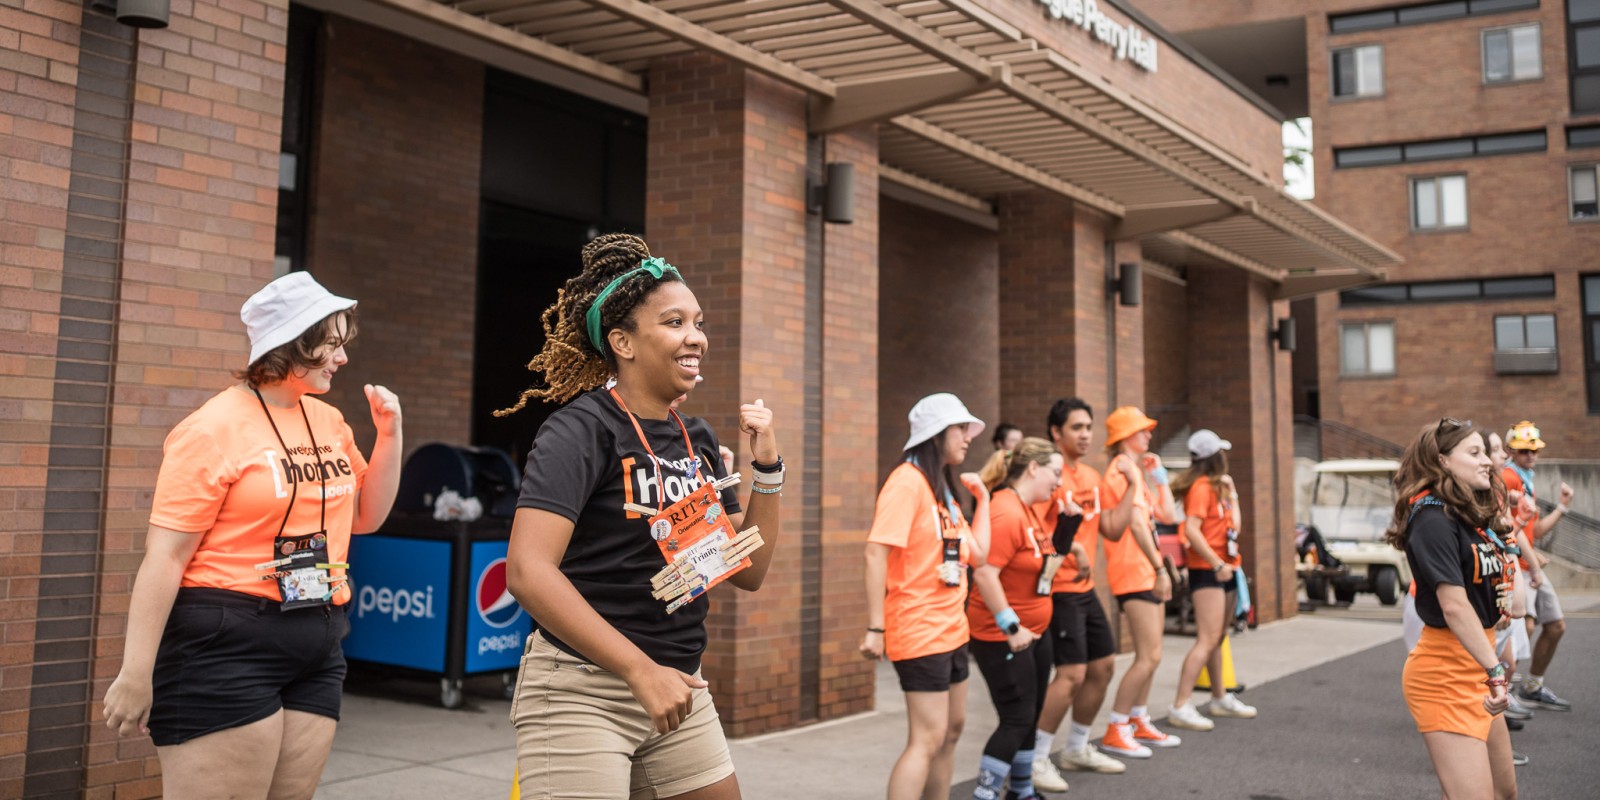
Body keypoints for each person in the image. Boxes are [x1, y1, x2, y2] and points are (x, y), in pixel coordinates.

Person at [500, 234, 783, 799]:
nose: (696, 337)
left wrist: (768, 468)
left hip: (678, 684)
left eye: (698, 322)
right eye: (675, 322)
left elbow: (745, 571)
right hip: (581, 689)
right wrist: (638, 670)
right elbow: (528, 572)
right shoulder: (578, 431)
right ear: (623, 342)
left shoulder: (694, 438)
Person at [102, 272, 403, 799]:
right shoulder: (211, 428)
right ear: (292, 341)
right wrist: (136, 672)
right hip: (226, 641)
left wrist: (390, 436)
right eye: (331, 343)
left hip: (318, 635)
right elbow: (166, 558)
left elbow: (367, 518)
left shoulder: (329, 421)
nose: (343, 357)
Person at [862, 393, 990, 800]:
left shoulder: (943, 492)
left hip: (953, 630)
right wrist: (875, 627)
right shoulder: (907, 482)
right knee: (928, 738)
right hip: (918, 630)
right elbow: (875, 552)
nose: (968, 437)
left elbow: (979, 555)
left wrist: (984, 501)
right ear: (936, 434)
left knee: (951, 732)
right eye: (960, 429)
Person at [1392, 418, 1516, 800]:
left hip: (1475, 666)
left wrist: (1509, 545)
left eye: (1486, 453)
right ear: (1443, 461)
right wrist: (1496, 671)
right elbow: (1454, 605)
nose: (1488, 462)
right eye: (1474, 453)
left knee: (1504, 792)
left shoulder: (1466, 516)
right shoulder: (1431, 518)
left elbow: (1507, 595)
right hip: (1445, 675)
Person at [966, 438, 1076, 799]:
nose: (1058, 483)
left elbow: (1043, 565)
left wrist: (1068, 527)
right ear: (1032, 468)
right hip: (1003, 636)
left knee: (1029, 714)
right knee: (1017, 717)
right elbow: (983, 573)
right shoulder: (1005, 510)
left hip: (1033, 633)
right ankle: (985, 794)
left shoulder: (1029, 510)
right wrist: (1010, 626)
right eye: (1055, 473)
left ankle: (1022, 790)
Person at [1030, 398, 1128, 786]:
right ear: (1056, 432)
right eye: (1076, 427)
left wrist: (1134, 487)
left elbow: (1111, 529)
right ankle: (1035, 759)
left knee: (1103, 667)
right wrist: (1075, 547)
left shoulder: (1091, 476)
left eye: (1089, 427)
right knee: (1070, 674)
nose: (1086, 434)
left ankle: (1076, 748)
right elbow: (1036, 533)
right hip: (1058, 588)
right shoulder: (1049, 476)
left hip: (1085, 589)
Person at [1098, 406, 1180, 757]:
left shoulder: (1133, 471)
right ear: (1127, 436)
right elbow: (1133, 524)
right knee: (1147, 657)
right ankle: (1118, 726)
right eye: (1143, 430)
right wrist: (1160, 569)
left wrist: (1159, 477)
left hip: (1143, 569)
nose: (1149, 435)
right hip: (1135, 571)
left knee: (1153, 655)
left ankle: (1137, 719)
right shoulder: (1120, 471)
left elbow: (1169, 516)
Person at [1165, 430, 1258, 731]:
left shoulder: (1218, 488)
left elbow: (1236, 527)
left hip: (1228, 567)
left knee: (1218, 637)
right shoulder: (1202, 488)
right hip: (1208, 569)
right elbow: (1191, 530)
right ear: (1215, 457)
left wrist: (1233, 495)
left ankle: (1219, 697)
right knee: (1206, 639)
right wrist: (1216, 562)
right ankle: (1180, 705)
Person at [1500, 420, 1576, 713]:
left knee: (1555, 626)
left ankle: (1532, 686)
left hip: (1530, 565)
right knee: (1523, 626)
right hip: (1517, 565)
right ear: (1510, 451)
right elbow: (1510, 527)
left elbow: (1535, 531)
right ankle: (1504, 691)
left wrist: (1562, 507)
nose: (1530, 456)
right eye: (1522, 451)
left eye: (1534, 450)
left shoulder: (1525, 480)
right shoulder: (1508, 478)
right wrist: (1530, 562)